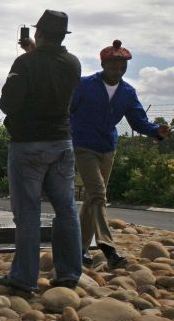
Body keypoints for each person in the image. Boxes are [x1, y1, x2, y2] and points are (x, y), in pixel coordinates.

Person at [0, 10, 83, 295]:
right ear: (62, 36)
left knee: (28, 212)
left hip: (28, 144)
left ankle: (24, 277)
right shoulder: (72, 63)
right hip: (61, 142)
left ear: (39, 33)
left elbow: (8, 103)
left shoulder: (25, 63)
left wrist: (25, 61)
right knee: (66, 209)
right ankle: (69, 272)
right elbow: (51, 71)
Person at [71, 40, 171, 269]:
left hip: (108, 148)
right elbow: (67, 110)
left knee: (92, 199)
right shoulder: (85, 85)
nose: (119, 70)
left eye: (123, 66)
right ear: (104, 64)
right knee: (98, 193)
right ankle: (108, 247)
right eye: (114, 66)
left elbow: (138, 121)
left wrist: (157, 131)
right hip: (83, 146)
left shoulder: (127, 92)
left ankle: (79, 250)